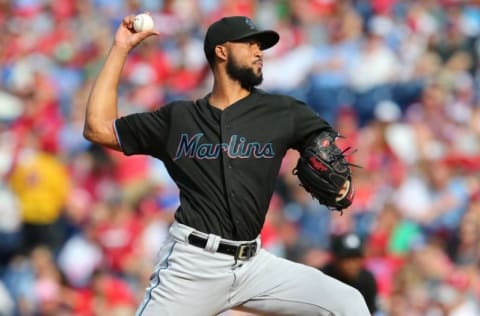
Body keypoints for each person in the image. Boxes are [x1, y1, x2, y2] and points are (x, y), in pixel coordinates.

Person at [83, 14, 370, 316]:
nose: (259, 52)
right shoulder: (178, 119)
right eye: (249, 44)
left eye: (261, 46)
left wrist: (343, 183)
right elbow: (98, 128)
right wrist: (120, 49)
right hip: (193, 266)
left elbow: (324, 146)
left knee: (349, 304)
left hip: (254, 265)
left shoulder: (282, 112)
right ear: (221, 51)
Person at [321, 233, 378, 314]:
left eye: (356, 258)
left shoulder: (367, 280)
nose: (352, 264)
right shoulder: (323, 278)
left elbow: (370, 311)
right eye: (347, 259)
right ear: (336, 259)